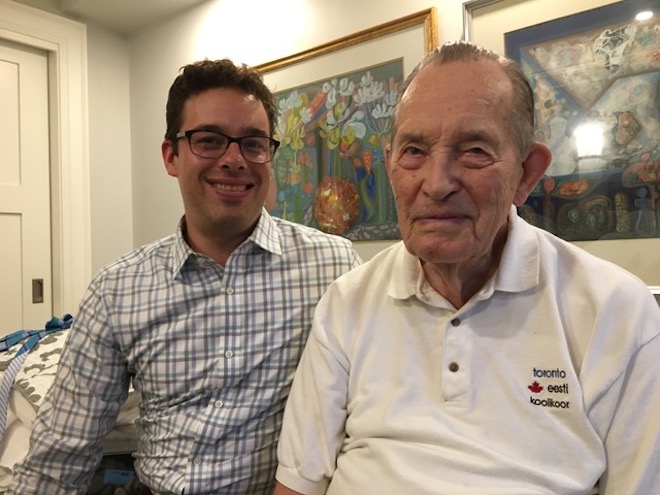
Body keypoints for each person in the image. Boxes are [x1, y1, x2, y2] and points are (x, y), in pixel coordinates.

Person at [272, 41, 660, 495]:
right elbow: (299, 482)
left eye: (474, 150)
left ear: (526, 173)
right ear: (390, 163)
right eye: (414, 150)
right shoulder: (347, 302)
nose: (436, 184)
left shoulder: (615, 311)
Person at [7, 59, 361, 495]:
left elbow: (368, 415)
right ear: (171, 156)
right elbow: (61, 453)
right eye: (209, 140)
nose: (234, 160)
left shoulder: (334, 267)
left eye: (253, 143)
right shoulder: (118, 289)